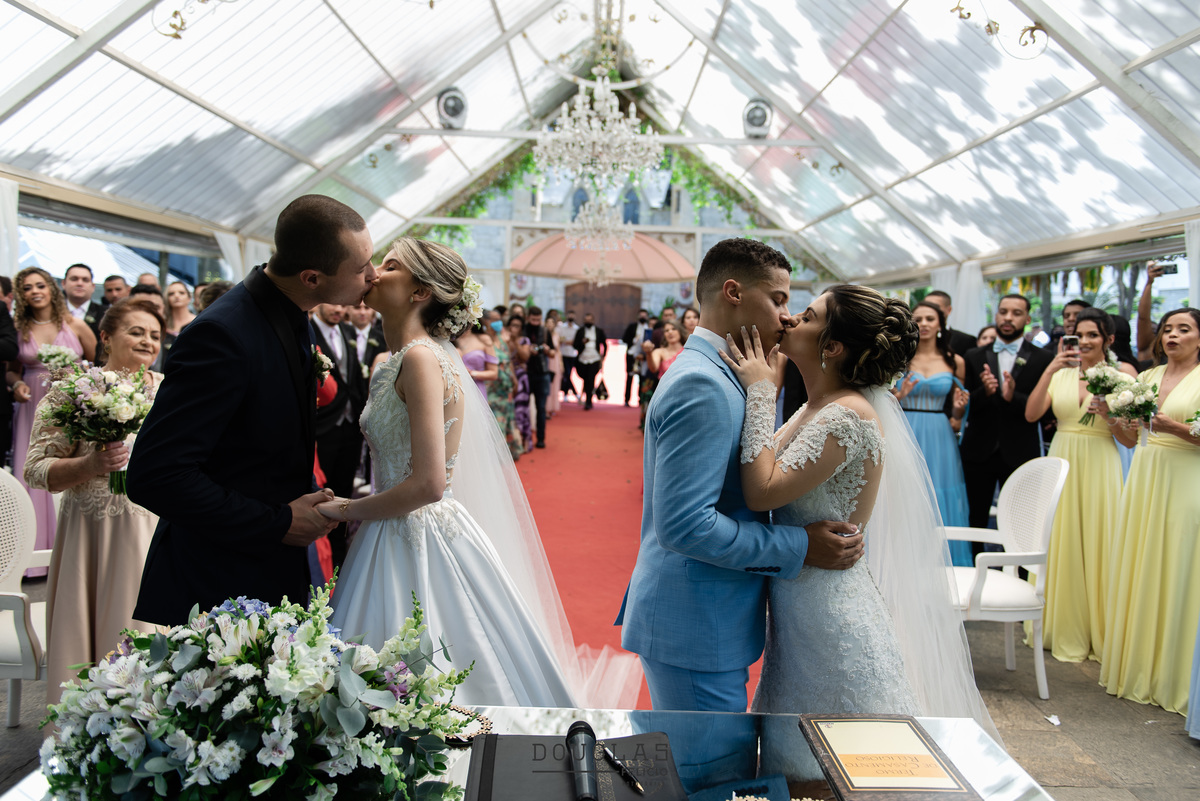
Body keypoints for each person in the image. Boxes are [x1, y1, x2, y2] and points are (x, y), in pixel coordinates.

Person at [323, 238, 641, 708]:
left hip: (414, 529)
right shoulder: (395, 361)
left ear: (419, 292)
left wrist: (344, 508)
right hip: (387, 525)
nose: (373, 271)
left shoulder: (419, 359)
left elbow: (429, 484)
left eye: (390, 266)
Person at [720, 285, 997, 781]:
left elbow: (762, 492)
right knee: (804, 759)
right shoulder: (819, 408)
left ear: (832, 347)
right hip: (803, 602)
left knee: (839, 763)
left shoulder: (848, 415)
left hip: (829, 615)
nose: (789, 321)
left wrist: (762, 391)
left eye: (806, 315)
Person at [617, 238, 860, 787]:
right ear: (733, 292)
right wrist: (800, 546)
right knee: (712, 779)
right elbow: (686, 525)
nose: (787, 313)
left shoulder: (733, 374)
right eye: (777, 298)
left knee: (709, 772)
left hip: (709, 613)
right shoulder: (705, 383)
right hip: (696, 622)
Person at [127, 194, 376, 624]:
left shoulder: (293, 310)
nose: (373, 276)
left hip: (270, 575)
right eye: (361, 268)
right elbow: (155, 477)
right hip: (217, 588)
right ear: (312, 278)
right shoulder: (221, 336)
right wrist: (277, 521)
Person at [25, 298, 164, 704]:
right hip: (91, 535)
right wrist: (90, 464)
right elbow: (36, 468)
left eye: (154, 335)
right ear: (105, 336)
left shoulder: (170, 390)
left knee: (147, 633)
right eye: (136, 332)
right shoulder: (73, 392)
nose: (147, 341)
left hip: (155, 532)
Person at [1101, 308, 1200, 715]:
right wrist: (1111, 418)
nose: (1172, 335)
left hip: (1186, 477)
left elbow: (1179, 431)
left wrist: (1174, 428)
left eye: (1184, 329)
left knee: (1180, 564)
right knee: (1145, 562)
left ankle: (1177, 674)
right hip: (1146, 474)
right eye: (1167, 329)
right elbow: (1130, 440)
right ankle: (1141, 665)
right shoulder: (1146, 378)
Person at [1023, 308, 1133, 664]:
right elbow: (1032, 413)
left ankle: (1098, 628)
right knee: (1061, 538)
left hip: (1101, 461)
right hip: (1062, 459)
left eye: (1093, 336)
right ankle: (1059, 624)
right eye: (1078, 335)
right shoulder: (1061, 373)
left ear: (1109, 340)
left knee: (1100, 538)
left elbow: (1130, 440)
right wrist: (1052, 368)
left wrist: (1109, 416)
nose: (1084, 342)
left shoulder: (1123, 375)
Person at [7, 267, 96, 576]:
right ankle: (28, 558)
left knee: (66, 468)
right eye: (28, 287)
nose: (35, 291)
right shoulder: (20, 327)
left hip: (71, 405)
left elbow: (97, 364)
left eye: (40, 285)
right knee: (32, 471)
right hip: (31, 406)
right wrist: (16, 385)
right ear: (22, 294)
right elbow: (12, 369)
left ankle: (63, 548)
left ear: (51, 288)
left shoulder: (73, 324)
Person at [959, 294, 1053, 531]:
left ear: (1028, 318)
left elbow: (1044, 409)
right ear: (997, 314)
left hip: (1021, 448)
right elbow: (966, 404)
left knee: (1022, 520)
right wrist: (985, 391)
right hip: (979, 450)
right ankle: (977, 565)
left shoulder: (1044, 359)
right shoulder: (974, 355)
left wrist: (1014, 397)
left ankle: (1019, 569)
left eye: (1016, 313)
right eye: (1003, 312)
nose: (1008, 318)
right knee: (976, 517)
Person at [893, 301, 971, 566]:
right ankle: (905, 563)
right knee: (904, 492)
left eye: (930, 318)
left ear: (941, 324)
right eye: (919, 319)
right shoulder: (900, 356)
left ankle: (943, 563)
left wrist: (959, 412)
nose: (924, 323)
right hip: (904, 428)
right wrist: (898, 397)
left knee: (941, 493)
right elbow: (881, 397)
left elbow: (958, 414)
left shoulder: (955, 361)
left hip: (940, 433)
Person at [310, 302, 366, 572]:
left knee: (344, 491)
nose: (338, 309)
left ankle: (339, 555)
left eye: (343, 305)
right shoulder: (307, 332)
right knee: (323, 492)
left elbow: (352, 378)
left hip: (349, 425)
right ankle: (320, 554)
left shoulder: (348, 331)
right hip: (322, 426)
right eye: (333, 303)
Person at [524, 307, 555, 447]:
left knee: (541, 408)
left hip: (542, 373)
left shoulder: (545, 331)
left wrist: (548, 350)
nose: (536, 322)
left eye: (538, 319)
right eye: (533, 319)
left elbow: (554, 352)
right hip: (525, 372)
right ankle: (525, 438)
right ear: (528, 317)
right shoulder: (523, 330)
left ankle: (541, 439)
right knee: (523, 406)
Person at [503, 315, 532, 452]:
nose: (513, 328)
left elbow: (525, 357)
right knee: (510, 410)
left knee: (522, 409)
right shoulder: (503, 339)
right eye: (512, 325)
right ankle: (513, 442)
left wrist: (515, 342)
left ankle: (525, 439)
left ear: (521, 328)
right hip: (507, 376)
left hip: (521, 377)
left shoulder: (524, 340)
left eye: (517, 326)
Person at [923, 290, 976, 356]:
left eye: (935, 306)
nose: (930, 310)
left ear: (949, 310)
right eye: (926, 306)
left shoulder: (966, 340)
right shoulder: (914, 338)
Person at [456, 320, 499, 399]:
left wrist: (472, 373)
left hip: (476, 388)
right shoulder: (449, 340)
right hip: (456, 388)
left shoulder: (483, 339)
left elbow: (494, 373)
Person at [572, 312, 607, 410]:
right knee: (585, 378)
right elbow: (575, 345)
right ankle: (586, 398)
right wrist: (582, 342)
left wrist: (603, 356)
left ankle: (588, 401)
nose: (588, 321)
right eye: (586, 320)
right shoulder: (580, 331)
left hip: (594, 358)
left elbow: (604, 344)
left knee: (590, 379)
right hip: (582, 359)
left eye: (590, 320)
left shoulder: (598, 331)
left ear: (593, 321)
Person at [62, 263, 104, 340]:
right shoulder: (51, 312)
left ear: (93, 286)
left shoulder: (105, 313)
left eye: (85, 280)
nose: (79, 283)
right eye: (74, 279)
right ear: (63, 284)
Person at [622, 309, 651, 407]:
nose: (643, 317)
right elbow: (625, 338)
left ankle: (640, 399)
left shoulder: (649, 327)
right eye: (641, 315)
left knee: (642, 377)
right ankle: (627, 399)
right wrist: (634, 339)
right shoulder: (632, 327)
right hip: (632, 354)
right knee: (629, 377)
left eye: (644, 315)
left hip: (643, 356)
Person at [544, 309, 563, 416]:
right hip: (546, 361)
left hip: (555, 361)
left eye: (552, 323)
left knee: (554, 385)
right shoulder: (544, 335)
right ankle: (545, 408)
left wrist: (561, 364)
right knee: (547, 384)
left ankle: (551, 407)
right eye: (548, 323)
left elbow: (558, 351)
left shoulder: (556, 336)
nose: (550, 325)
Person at [558, 309, 580, 401]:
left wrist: (570, 342)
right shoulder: (562, 327)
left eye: (572, 315)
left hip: (572, 354)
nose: (571, 317)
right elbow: (560, 339)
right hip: (563, 353)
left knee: (569, 374)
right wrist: (566, 341)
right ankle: (572, 393)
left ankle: (568, 393)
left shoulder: (576, 328)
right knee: (566, 374)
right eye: (569, 315)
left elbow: (576, 342)